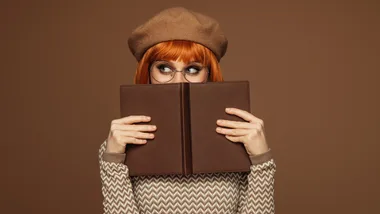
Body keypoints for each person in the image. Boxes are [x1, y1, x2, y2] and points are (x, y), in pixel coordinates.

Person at [98, 7, 276, 214]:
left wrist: (261, 161)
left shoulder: (241, 140)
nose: (179, 80)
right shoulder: (118, 144)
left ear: (209, 74)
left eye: (193, 69)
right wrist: (113, 160)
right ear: (147, 72)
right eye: (164, 68)